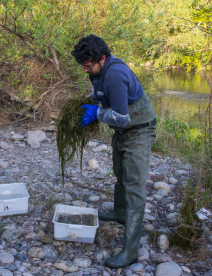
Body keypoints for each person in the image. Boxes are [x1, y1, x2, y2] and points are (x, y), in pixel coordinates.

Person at [71, 35, 156, 268]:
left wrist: (96, 114)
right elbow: (102, 95)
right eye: (83, 66)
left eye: (88, 66)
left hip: (138, 130)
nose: (85, 70)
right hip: (124, 132)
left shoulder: (115, 75)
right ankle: (120, 212)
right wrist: (90, 101)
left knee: (134, 188)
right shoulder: (98, 70)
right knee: (120, 172)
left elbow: (121, 117)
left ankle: (130, 251)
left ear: (103, 58)